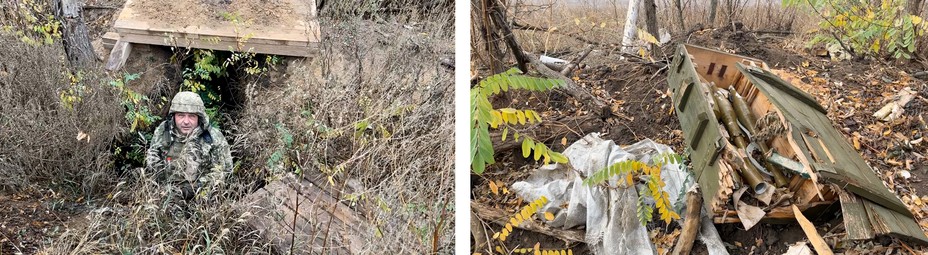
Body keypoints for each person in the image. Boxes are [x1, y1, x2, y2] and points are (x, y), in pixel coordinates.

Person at [146, 91, 233, 200]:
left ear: (199, 118)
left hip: (203, 198)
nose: (186, 121)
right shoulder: (163, 132)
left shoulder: (213, 137)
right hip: (167, 196)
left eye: (191, 116)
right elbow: (152, 163)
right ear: (174, 116)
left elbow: (225, 171)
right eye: (181, 115)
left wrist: (197, 187)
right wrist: (165, 189)